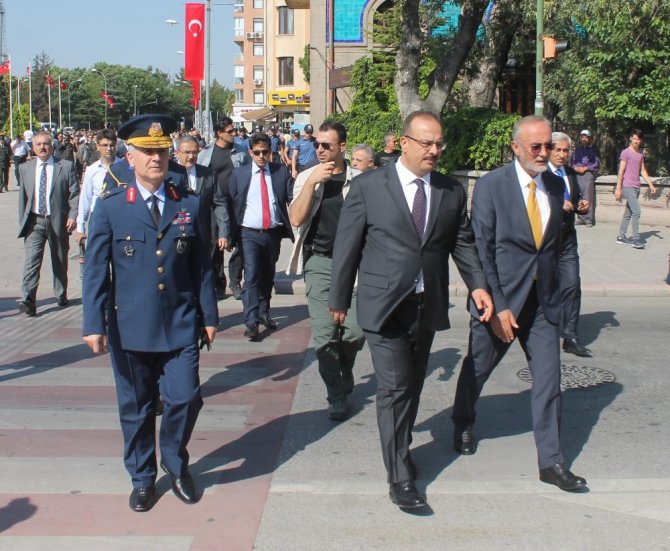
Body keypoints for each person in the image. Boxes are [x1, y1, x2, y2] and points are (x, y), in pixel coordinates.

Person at [328, 110, 493, 510]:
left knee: (412, 385)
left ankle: (399, 447)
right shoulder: (369, 187)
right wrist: (338, 300)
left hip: (426, 304)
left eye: (439, 143)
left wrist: (479, 285)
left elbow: (462, 243)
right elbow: (347, 246)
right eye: (426, 143)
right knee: (395, 388)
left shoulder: (451, 190)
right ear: (404, 143)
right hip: (383, 305)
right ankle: (400, 477)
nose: (435, 150)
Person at [82, 114, 218, 512]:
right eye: (147, 152)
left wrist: (209, 315)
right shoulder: (111, 208)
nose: (155, 158)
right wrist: (93, 323)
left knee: (186, 398)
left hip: (180, 322)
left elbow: (202, 267)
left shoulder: (188, 203)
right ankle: (142, 478)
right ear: (131, 155)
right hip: (130, 326)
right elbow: (95, 270)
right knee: (137, 407)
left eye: (160, 151)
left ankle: (175, 463)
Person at [452, 115, 588, 493]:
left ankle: (551, 461)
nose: (545, 153)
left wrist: (560, 290)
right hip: (500, 302)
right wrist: (498, 305)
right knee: (477, 368)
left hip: (543, 303)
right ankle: (462, 420)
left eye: (549, 146)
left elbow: (556, 246)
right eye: (537, 147)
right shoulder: (492, 186)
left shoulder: (555, 186)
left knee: (548, 380)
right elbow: (483, 249)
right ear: (516, 147)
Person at [287, 121, 365, 421]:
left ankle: (344, 372)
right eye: (317, 145)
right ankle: (336, 395)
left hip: (356, 264)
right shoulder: (307, 176)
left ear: (342, 147)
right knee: (325, 335)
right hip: (319, 262)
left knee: (355, 332)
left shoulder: (360, 180)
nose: (319, 150)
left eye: (326, 146)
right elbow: (296, 219)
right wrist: (310, 184)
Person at [227, 132, 294, 340]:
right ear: (250, 152)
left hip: (273, 233)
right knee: (252, 276)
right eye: (257, 152)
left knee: (267, 275)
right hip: (248, 233)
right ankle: (251, 320)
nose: (262, 156)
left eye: (265, 152)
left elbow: (292, 197)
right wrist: (228, 234)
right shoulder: (239, 175)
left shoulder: (280, 172)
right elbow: (230, 204)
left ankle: (264, 312)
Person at [16, 131, 79, 317]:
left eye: (46, 144)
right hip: (34, 222)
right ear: (33, 147)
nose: (43, 147)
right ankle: (28, 299)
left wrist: (73, 215)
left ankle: (61, 293)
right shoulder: (25, 168)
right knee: (31, 262)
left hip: (58, 220)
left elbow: (74, 194)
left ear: (52, 146)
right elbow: (23, 199)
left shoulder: (65, 166)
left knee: (59, 260)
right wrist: (23, 222)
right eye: (38, 144)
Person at [548, 132, 591, 357]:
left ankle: (570, 335)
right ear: (548, 149)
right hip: (545, 241)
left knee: (572, 285)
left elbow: (573, 200)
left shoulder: (571, 174)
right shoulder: (540, 174)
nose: (562, 155)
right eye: (558, 150)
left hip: (567, 240)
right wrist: (557, 204)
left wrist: (580, 204)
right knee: (542, 288)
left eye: (566, 151)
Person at [199, 118, 249, 299]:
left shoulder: (241, 151)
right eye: (229, 131)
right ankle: (218, 282)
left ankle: (235, 280)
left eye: (234, 130)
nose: (233, 134)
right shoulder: (206, 154)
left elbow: (249, 174)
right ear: (219, 133)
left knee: (240, 243)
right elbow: (200, 178)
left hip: (237, 204)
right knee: (216, 245)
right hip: (215, 207)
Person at [175, 134, 229, 268]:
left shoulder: (208, 175)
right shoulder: (169, 175)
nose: (191, 156)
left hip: (204, 233)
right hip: (177, 233)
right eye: (187, 152)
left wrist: (223, 232)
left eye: (195, 152)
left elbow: (220, 203)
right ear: (177, 153)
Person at [76, 129, 122, 273]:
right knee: (98, 260)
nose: (109, 148)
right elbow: (85, 199)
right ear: (97, 146)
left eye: (112, 145)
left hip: (120, 218)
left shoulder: (125, 167)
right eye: (104, 145)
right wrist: (80, 227)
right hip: (98, 218)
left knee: (120, 260)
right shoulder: (92, 169)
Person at [614, 129, 657, 249]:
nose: (636, 141)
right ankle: (635, 239)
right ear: (630, 138)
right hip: (627, 186)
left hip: (636, 186)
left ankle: (621, 236)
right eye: (634, 138)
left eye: (638, 139)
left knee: (628, 213)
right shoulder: (626, 153)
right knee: (637, 211)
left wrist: (650, 184)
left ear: (641, 140)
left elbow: (642, 170)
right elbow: (621, 171)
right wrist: (618, 189)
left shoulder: (640, 153)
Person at [570, 130, 599, 226]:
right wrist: (575, 168)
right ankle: (581, 217)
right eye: (582, 137)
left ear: (589, 138)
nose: (584, 139)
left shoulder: (593, 150)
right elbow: (572, 161)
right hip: (577, 174)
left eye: (586, 137)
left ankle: (588, 219)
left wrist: (586, 168)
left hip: (587, 174)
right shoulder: (577, 150)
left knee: (588, 196)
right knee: (579, 195)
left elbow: (596, 163)